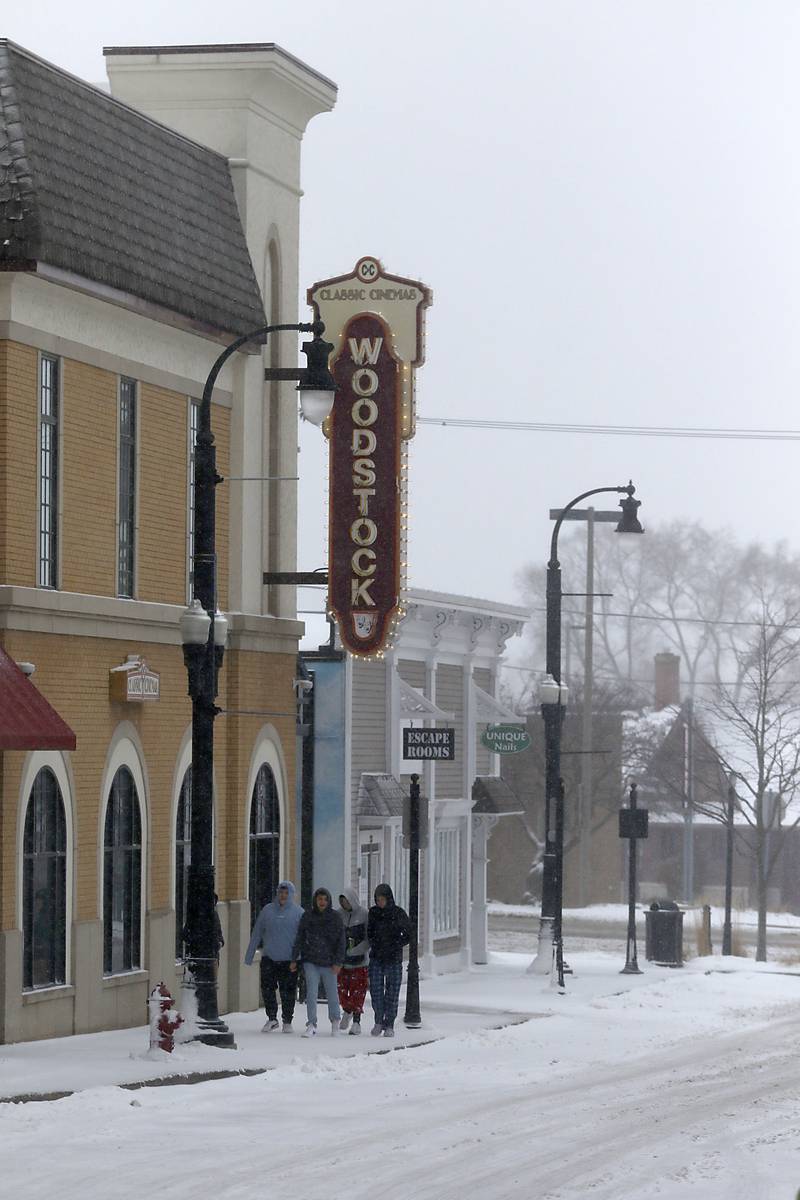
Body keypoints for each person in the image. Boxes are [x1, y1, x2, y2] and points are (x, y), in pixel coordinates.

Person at [245, 880, 303, 1033]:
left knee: (288, 991)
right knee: (267, 988)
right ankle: (272, 1018)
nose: (283, 896)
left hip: (289, 960)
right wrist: (249, 955)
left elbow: (303, 938)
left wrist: (299, 958)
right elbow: (257, 932)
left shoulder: (299, 913)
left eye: (286, 893)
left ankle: (287, 1020)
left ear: (291, 895)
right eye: (280, 892)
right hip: (269, 958)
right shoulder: (267, 911)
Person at [290, 887, 345, 1037]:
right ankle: (312, 1024)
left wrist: (338, 961)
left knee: (332, 993)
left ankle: (335, 1021)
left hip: (329, 962)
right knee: (311, 993)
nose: (322, 902)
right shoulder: (308, 917)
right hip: (311, 960)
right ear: (315, 900)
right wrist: (294, 958)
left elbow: (341, 941)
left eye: (325, 899)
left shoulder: (335, 918)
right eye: (320, 899)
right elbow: (300, 938)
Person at [367, 883, 411, 1038]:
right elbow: (370, 933)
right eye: (377, 899)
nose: (380, 902)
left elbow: (408, 933)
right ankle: (379, 1020)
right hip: (377, 957)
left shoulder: (398, 913)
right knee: (376, 992)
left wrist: (395, 943)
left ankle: (389, 1023)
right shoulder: (373, 913)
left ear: (388, 899)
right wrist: (376, 943)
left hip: (393, 958)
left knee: (392, 993)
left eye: (382, 899)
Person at [335, 887, 369, 1035]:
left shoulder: (364, 915)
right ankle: (347, 1010)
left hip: (359, 962)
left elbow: (369, 939)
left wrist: (355, 951)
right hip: (342, 962)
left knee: (358, 992)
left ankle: (356, 1021)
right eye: (342, 901)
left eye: (347, 901)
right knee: (342, 990)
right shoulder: (338, 915)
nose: (345, 904)